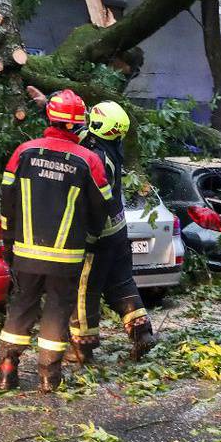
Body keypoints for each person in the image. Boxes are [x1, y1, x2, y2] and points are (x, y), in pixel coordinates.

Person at [0, 89, 113, 392]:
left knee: (22, 303)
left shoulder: (23, 152)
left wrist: (8, 239)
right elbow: (103, 206)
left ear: (49, 117)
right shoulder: (88, 160)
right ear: (78, 125)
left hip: (24, 251)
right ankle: (49, 375)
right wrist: (91, 236)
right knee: (58, 309)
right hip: (67, 255)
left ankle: (7, 369)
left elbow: (6, 199)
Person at [68, 100, 159, 366]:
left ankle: (82, 345)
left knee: (86, 288)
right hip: (119, 231)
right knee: (121, 282)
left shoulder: (95, 156)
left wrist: (89, 236)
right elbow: (82, 133)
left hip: (99, 236)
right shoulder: (109, 148)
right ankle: (142, 333)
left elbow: (93, 202)